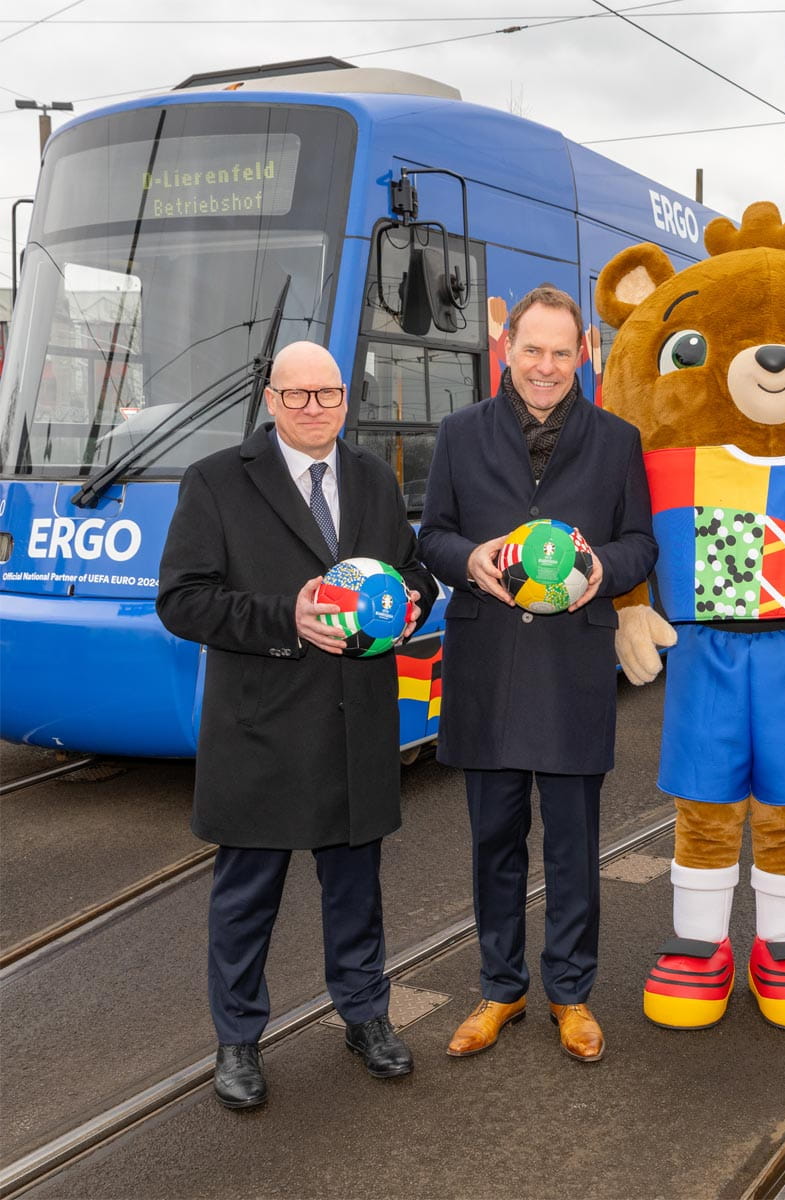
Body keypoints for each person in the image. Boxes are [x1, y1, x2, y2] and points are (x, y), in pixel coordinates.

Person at [157, 341, 438, 1108]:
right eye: (298, 396)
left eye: (329, 394)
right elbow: (182, 601)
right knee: (247, 898)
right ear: (272, 401)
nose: (315, 409)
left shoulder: (375, 478)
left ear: (347, 399)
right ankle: (238, 1040)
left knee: (356, 888)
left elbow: (412, 570)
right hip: (262, 731)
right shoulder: (216, 481)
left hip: (356, 725)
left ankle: (366, 1015)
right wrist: (289, 615)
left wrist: (412, 601)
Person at [418, 285, 656, 1063]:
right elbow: (435, 535)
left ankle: (572, 993)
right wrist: (470, 559)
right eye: (532, 350)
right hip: (488, 664)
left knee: (573, 844)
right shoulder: (459, 434)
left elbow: (641, 545)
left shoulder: (618, 441)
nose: (546, 367)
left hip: (571, 668)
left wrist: (597, 571)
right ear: (507, 350)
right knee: (494, 840)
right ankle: (500, 987)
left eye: (561, 352)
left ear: (582, 354)